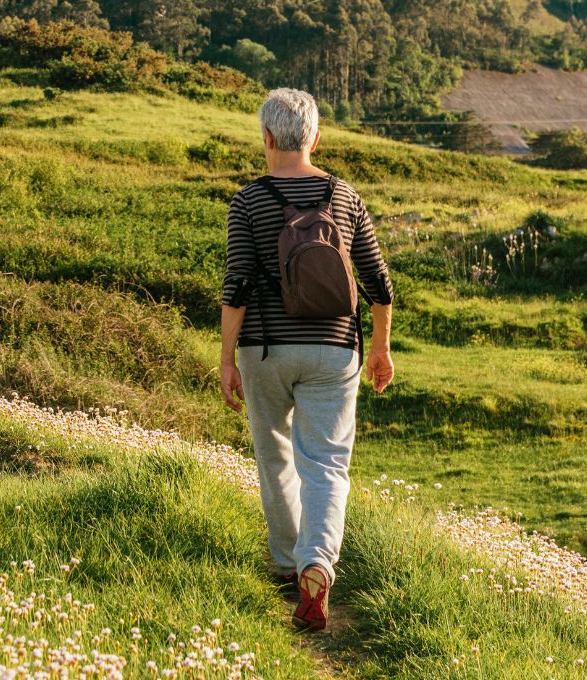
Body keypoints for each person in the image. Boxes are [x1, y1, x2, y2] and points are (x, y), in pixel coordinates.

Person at [219, 87, 395, 631]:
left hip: (266, 348)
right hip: (334, 348)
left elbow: (237, 286)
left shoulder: (247, 202)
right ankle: (317, 563)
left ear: (267, 138)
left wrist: (227, 359)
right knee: (326, 464)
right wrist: (381, 350)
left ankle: (285, 566)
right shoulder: (344, 196)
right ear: (316, 137)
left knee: (274, 458)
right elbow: (379, 283)